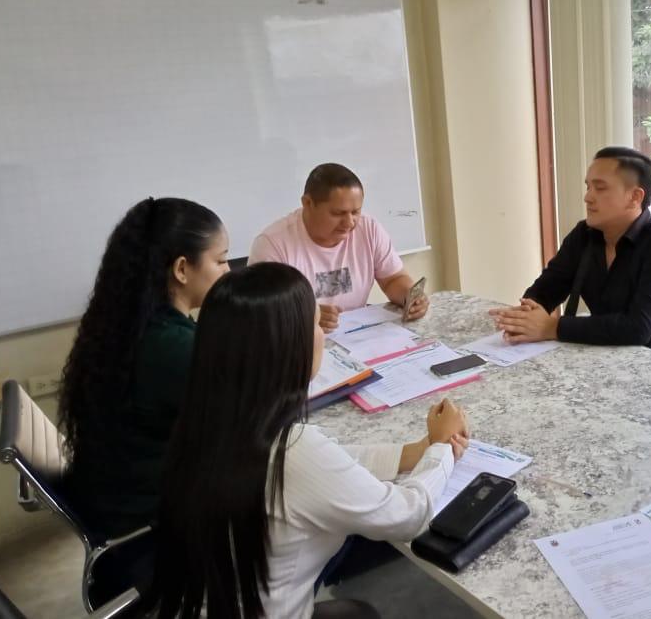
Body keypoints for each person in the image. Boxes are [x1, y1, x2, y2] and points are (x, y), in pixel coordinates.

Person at [149, 262, 469, 619]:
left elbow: (329, 464)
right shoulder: (293, 451)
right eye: (317, 325)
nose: (324, 336)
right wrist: (441, 450)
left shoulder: (209, 422)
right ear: (289, 347)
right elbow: (407, 516)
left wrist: (413, 453)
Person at [59, 197, 230, 537]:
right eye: (221, 260)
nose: (228, 272)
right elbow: (249, 421)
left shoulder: (128, 322)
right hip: (151, 522)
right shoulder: (173, 347)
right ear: (182, 269)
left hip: (117, 496)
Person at [491, 146, 651, 358]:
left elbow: (637, 328)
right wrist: (526, 318)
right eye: (588, 187)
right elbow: (546, 289)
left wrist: (551, 327)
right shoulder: (585, 234)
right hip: (614, 357)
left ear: (635, 197)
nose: (588, 197)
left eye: (600, 188)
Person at [249, 163, 427, 333]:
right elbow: (260, 313)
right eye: (337, 213)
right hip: (302, 341)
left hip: (358, 336)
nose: (349, 223)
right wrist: (305, 316)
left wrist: (410, 297)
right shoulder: (273, 244)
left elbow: (393, 279)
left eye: (355, 212)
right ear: (308, 203)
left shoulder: (369, 229)